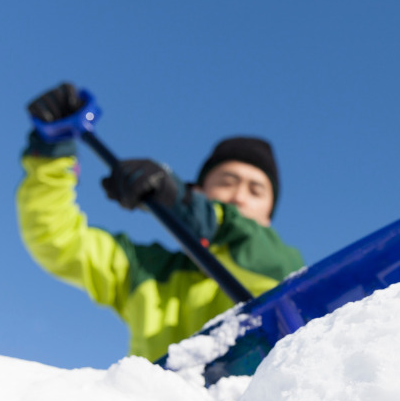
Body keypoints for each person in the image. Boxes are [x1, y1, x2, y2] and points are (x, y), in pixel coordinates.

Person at [17, 83, 304, 362]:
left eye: (256, 191)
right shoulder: (145, 269)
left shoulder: (283, 269)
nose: (239, 197)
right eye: (227, 182)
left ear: (268, 215)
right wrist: (51, 155)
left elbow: (250, 244)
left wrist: (182, 203)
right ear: (199, 191)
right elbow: (57, 240)